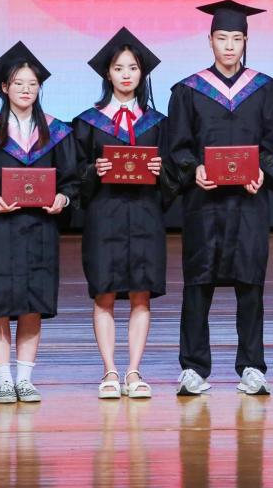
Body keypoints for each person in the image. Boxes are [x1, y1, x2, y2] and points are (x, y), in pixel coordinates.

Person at [165, 0, 273, 396]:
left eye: (236, 39)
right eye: (222, 38)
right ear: (210, 41)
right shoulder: (189, 90)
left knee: (250, 284)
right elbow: (176, 145)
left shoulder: (266, 89)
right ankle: (193, 367)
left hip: (248, 203)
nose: (229, 46)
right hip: (203, 204)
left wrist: (263, 172)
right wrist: (193, 170)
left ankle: (252, 366)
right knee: (197, 283)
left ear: (246, 41)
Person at [0, 42, 80, 404]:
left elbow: (71, 182)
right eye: (18, 83)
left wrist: (63, 199)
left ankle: (25, 379)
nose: (26, 90)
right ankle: (3, 380)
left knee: (32, 303)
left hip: (40, 229)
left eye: (32, 84)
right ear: (4, 87)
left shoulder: (56, 132)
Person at [73, 27, 169, 400]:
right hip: (105, 217)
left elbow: (173, 173)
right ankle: (110, 370)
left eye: (132, 68)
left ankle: (134, 371)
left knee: (141, 294)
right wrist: (93, 171)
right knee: (105, 293)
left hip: (145, 216)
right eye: (118, 68)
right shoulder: (88, 122)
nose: (126, 75)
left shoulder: (157, 122)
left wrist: (162, 171)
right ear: (107, 74)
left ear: (142, 73)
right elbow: (74, 174)